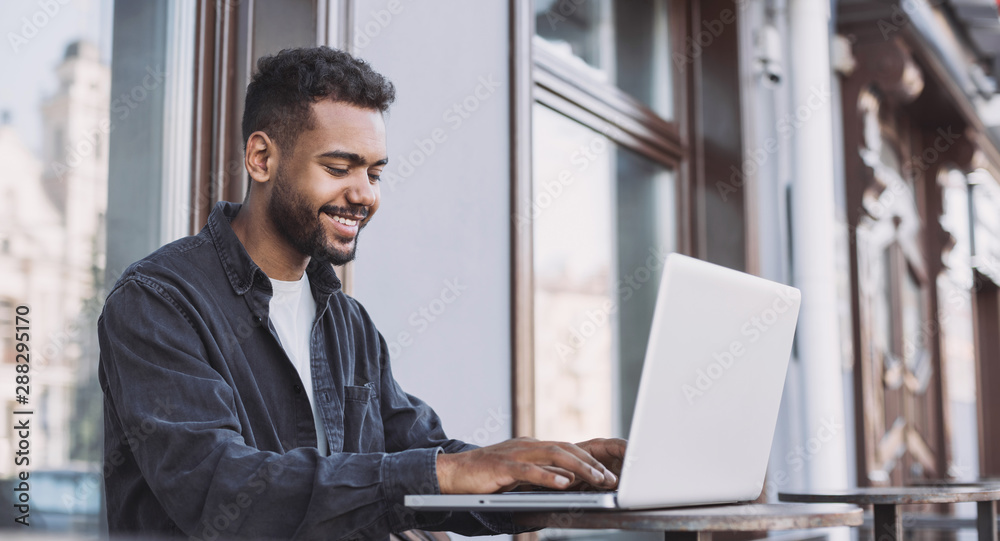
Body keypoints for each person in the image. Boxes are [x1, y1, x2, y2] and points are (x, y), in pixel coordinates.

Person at [98, 46, 626, 540]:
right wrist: (442, 473)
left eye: (374, 173)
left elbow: (424, 460)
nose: (364, 195)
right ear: (261, 158)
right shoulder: (158, 303)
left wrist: (562, 471)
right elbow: (219, 489)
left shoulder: (346, 323)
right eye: (338, 168)